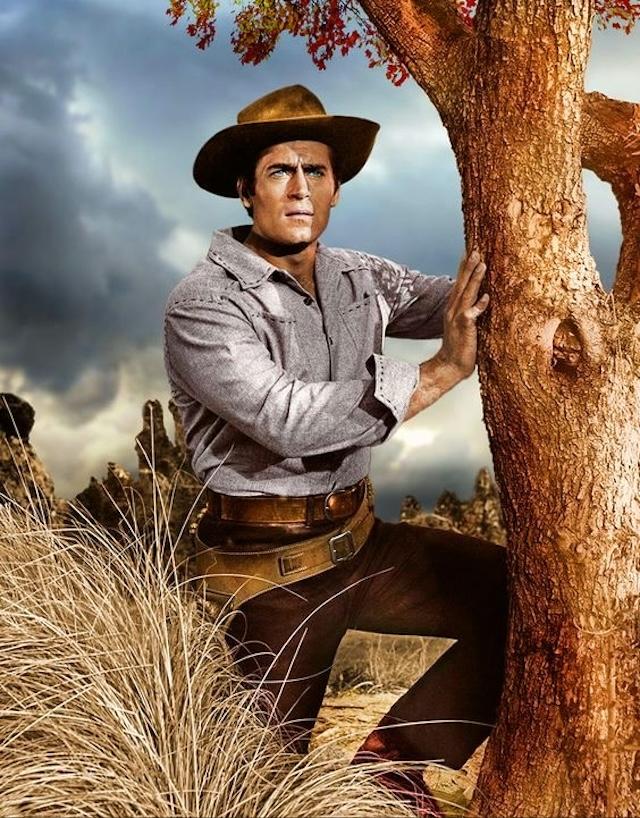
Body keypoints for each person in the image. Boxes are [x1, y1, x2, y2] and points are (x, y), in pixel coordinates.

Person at [163, 84, 507, 817]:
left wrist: (519, 278)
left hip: (363, 545)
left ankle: (400, 758)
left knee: (505, 588)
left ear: (336, 189)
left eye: (315, 172)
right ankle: (347, 769)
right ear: (244, 190)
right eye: (279, 171)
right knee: (258, 784)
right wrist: (443, 368)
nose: (299, 189)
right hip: (265, 579)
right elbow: (286, 419)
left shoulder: (361, 276)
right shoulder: (204, 303)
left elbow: (455, 301)